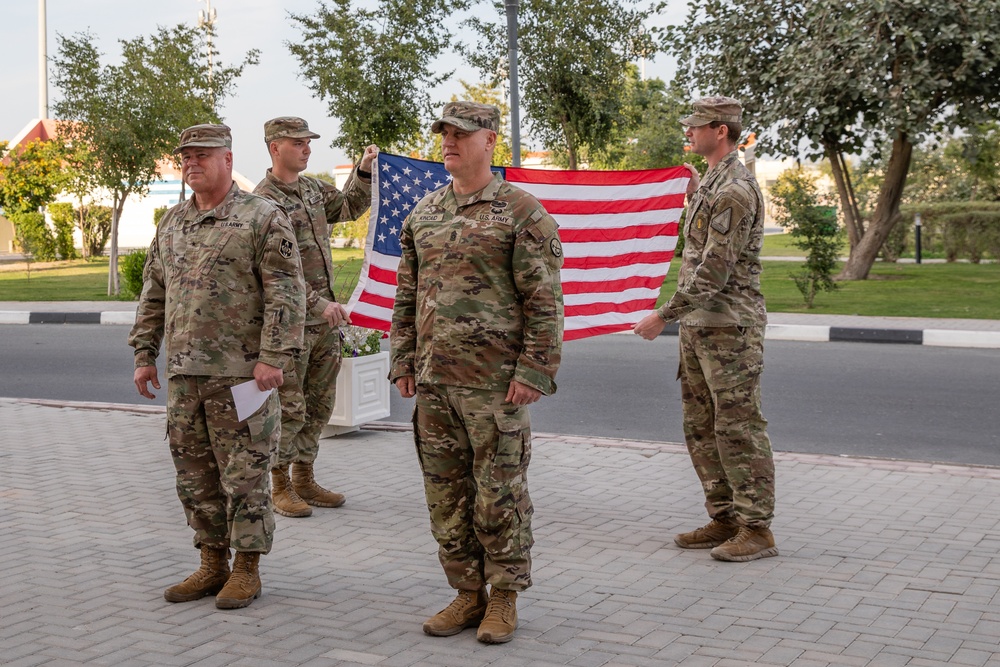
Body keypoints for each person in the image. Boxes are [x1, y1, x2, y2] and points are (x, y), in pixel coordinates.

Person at [390, 101, 563, 644]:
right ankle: (467, 594)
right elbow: (406, 296)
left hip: (494, 385)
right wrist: (402, 360)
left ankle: (504, 598)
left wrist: (535, 369)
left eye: (462, 134)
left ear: (490, 141)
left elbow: (545, 300)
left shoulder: (521, 212)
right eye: (444, 133)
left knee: (499, 493)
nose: (449, 142)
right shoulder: (424, 213)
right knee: (445, 493)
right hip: (435, 383)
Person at [129, 123, 306, 608]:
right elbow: (154, 293)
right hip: (187, 377)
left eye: (202, 155)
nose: (191, 163)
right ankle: (211, 563)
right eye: (186, 155)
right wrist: (145, 353)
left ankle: (246, 570)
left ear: (227, 159)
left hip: (242, 376)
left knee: (245, 476)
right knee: (195, 475)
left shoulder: (261, 216)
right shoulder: (172, 223)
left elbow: (286, 294)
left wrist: (274, 357)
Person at [633, 96, 777, 562]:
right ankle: (725, 518)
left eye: (695, 126)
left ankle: (756, 528)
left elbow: (714, 271)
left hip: (729, 328)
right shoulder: (714, 182)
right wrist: (696, 192)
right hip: (702, 326)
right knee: (702, 428)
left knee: (738, 428)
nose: (688, 132)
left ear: (720, 129)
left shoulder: (735, 188)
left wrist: (663, 315)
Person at [253, 117, 378, 518]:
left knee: (320, 404)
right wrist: (317, 304)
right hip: (289, 324)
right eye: (299, 142)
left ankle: (305, 476)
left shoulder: (309, 188)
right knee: (289, 408)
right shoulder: (262, 202)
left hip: (324, 322)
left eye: (309, 142)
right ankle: (280, 484)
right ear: (275, 147)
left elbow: (348, 206)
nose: (308, 148)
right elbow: (271, 271)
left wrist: (362, 170)